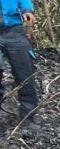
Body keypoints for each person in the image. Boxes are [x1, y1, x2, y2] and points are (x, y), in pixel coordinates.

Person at [1, 0, 40, 134]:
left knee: (25, 73)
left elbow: (24, 1)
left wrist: (27, 11)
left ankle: (28, 118)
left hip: (14, 30)